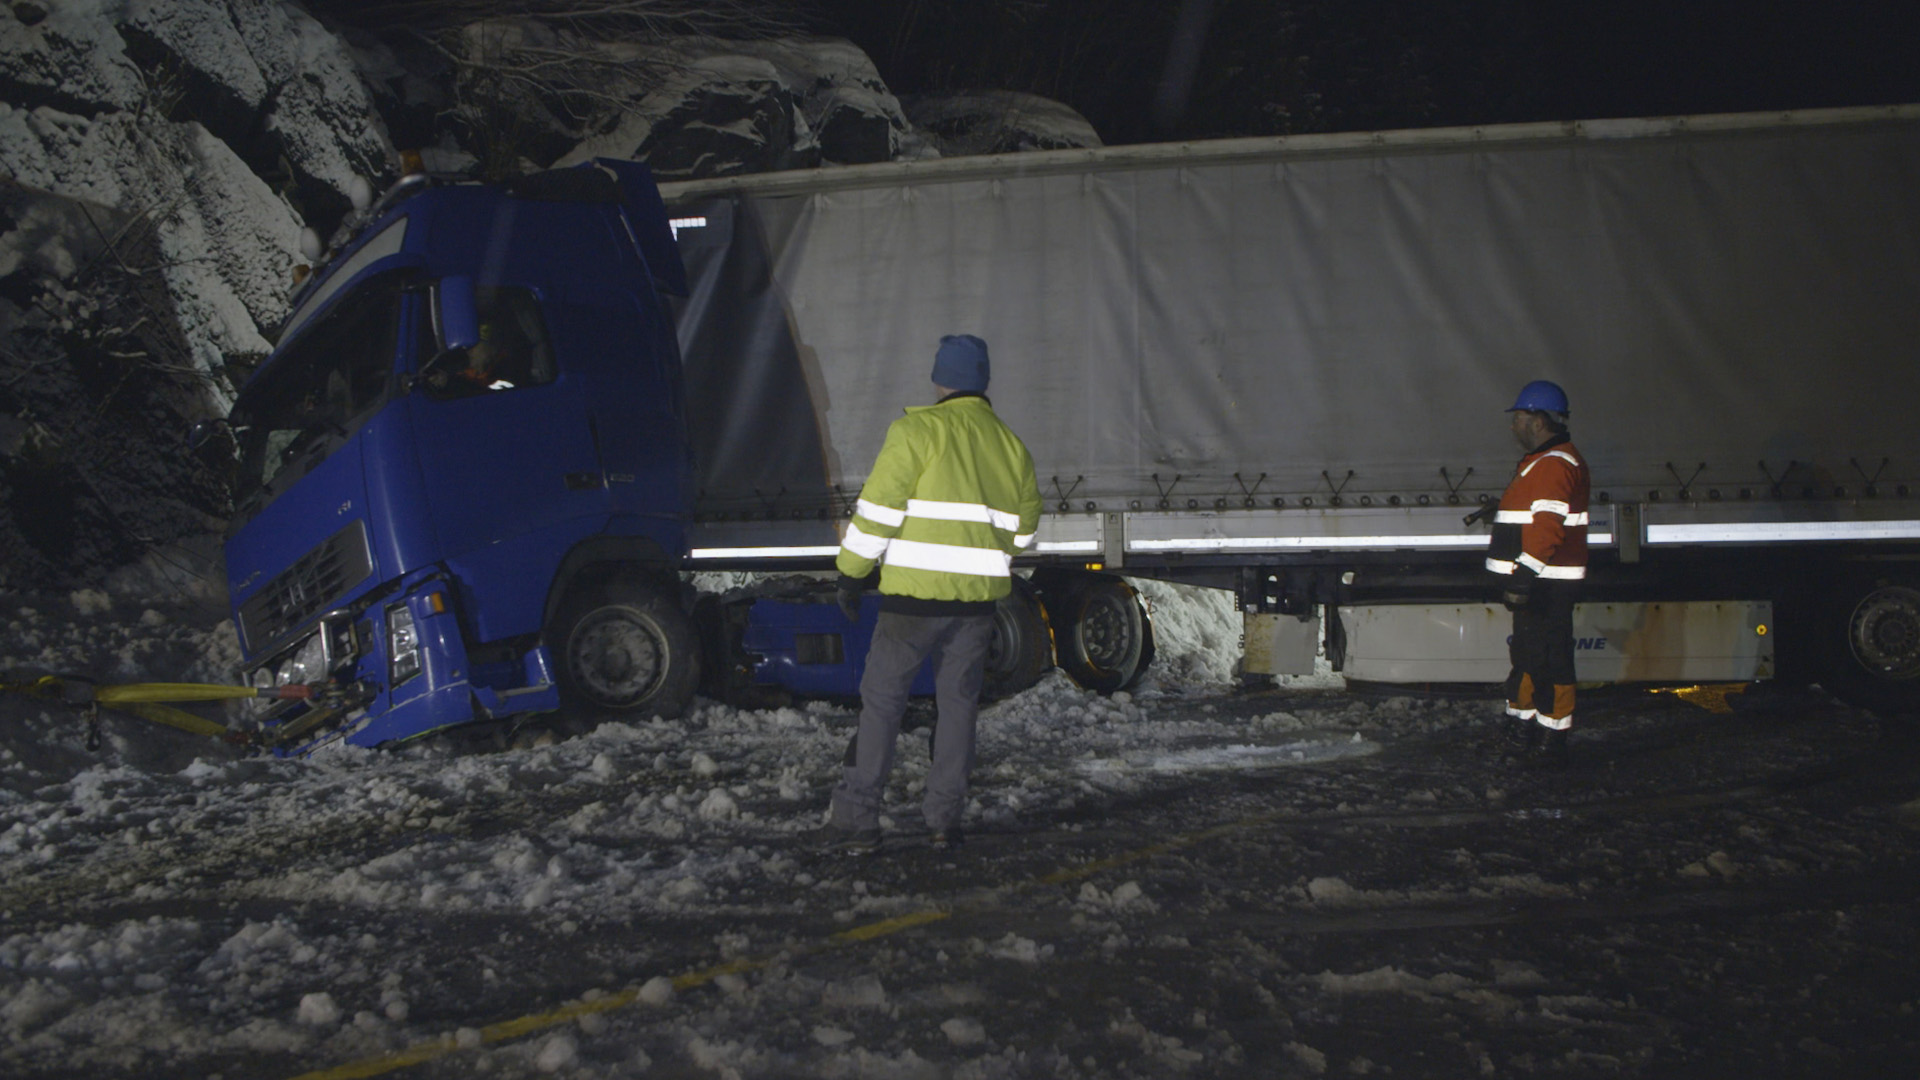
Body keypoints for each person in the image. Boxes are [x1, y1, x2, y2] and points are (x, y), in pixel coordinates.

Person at [823, 334, 1043, 855]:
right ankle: (945, 821)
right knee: (959, 706)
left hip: (911, 604)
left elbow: (877, 513)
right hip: (976, 606)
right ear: (983, 382)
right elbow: (1024, 534)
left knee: (882, 705)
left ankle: (858, 821)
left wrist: (851, 574)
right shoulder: (1010, 445)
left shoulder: (915, 431)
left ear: (939, 379)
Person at [1487, 379, 1590, 768]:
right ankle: (1522, 727)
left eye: (1518, 417)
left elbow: (1547, 531)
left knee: (1551, 660)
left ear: (1537, 419)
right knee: (1530, 657)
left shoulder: (1553, 465)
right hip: (1540, 581)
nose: (1513, 425)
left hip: (1545, 583)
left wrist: (1523, 577)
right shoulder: (1543, 462)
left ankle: (1551, 737)